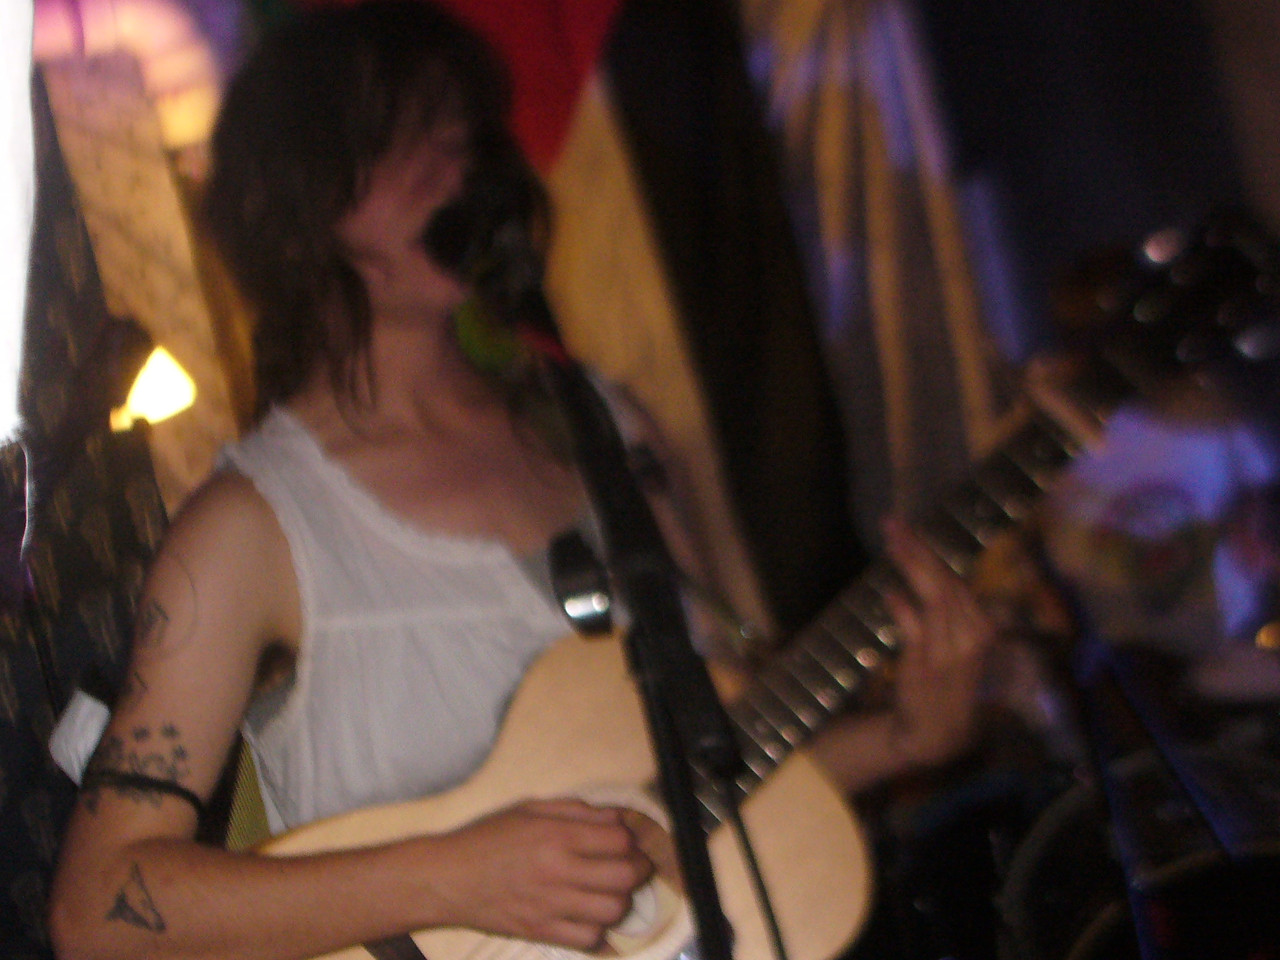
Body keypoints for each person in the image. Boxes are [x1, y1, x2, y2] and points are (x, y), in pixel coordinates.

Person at [46, 4, 995, 959]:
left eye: (458, 135)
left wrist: (903, 739)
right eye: (400, 140)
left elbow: (686, 794)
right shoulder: (250, 529)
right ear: (295, 206)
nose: (455, 166)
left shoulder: (606, 433)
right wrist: (454, 876)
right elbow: (99, 909)